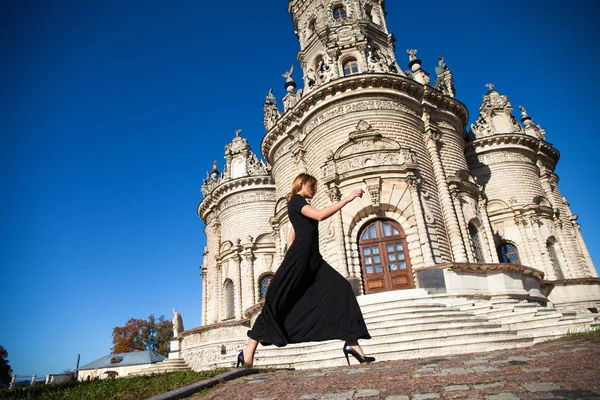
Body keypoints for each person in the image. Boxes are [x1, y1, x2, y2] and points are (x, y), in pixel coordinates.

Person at [237, 173, 375, 367]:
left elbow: (293, 232)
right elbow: (319, 216)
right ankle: (249, 348)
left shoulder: (299, 205)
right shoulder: (295, 201)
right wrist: (348, 198)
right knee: (278, 301)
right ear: (302, 183)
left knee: (342, 288)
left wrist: (289, 251)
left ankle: (352, 343)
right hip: (300, 258)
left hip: (313, 260)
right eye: (312, 186)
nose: (314, 189)